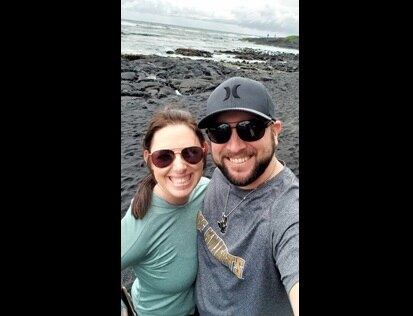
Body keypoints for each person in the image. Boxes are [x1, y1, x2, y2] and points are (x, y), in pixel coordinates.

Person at [195, 77, 299, 315]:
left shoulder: (287, 211)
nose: (234, 147)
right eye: (219, 132)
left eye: (250, 129)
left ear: (275, 132)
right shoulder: (224, 173)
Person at [121, 106, 210, 316]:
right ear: (148, 159)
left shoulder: (207, 191)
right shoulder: (140, 223)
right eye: (164, 157)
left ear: (204, 151)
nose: (180, 167)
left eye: (191, 153)